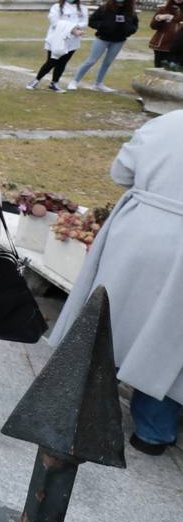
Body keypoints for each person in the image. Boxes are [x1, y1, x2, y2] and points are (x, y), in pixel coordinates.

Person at [50, 110, 183, 456]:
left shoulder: (168, 122)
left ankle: (82, 408)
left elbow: (121, 170)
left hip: (141, 230)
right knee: (171, 338)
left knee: (112, 317)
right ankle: (154, 430)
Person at [69, 0, 138, 91]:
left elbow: (134, 25)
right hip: (102, 38)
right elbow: (92, 21)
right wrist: (104, 26)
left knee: (107, 62)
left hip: (119, 40)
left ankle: (98, 83)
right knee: (91, 61)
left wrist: (128, 30)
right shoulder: (105, 7)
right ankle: (75, 81)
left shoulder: (130, 11)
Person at [27, 0, 89, 92]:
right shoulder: (57, 7)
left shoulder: (82, 8)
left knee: (63, 62)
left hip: (73, 39)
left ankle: (54, 83)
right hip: (57, 38)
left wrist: (74, 28)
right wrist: (73, 28)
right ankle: (36, 80)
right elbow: (55, 22)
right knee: (52, 61)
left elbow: (84, 23)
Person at [148, 0, 183, 68]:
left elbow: (179, 20)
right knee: (159, 68)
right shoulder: (163, 9)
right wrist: (158, 19)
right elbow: (153, 26)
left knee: (176, 70)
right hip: (163, 44)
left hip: (179, 46)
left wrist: (172, 18)